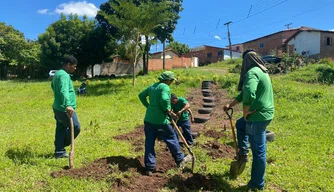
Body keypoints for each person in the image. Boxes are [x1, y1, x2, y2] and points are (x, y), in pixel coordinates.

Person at [223, 50, 274, 191]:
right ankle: (243, 152)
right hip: (265, 115)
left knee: (259, 152)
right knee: (240, 124)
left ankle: (257, 184)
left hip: (256, 117)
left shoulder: (252, 73)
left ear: (246, 62)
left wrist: (245, 111)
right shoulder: (262, 71)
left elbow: (249, 93)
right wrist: (230, 105)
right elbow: (244, 93)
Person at [138, 71, 192, 176]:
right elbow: (164, 99)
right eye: (171, 80)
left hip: (149, 120)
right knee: (171, 138)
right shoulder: (165, 87)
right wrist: (166, 109)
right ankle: (180, 160)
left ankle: (149, 167)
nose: (171, 82)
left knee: (149, 142)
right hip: (161, 121)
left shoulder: (152, 86)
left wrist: (148, 106)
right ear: (167, 80)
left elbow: (141, 96)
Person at [51, 55, 81, 159]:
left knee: (61, 128)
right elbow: (64, 90)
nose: (75, 68)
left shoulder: (57, 74)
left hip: (57, 107)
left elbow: (53, 87)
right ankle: (61, 145)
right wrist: (68, 104)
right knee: (76, 127)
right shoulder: (64, 75)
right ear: (68, 65)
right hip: (64, 109)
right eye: (74, 66)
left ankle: (59, 151)